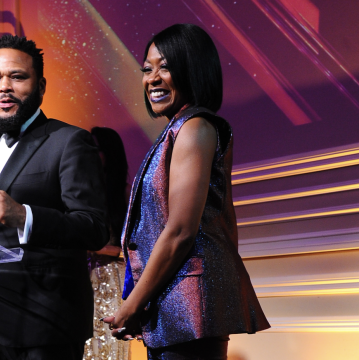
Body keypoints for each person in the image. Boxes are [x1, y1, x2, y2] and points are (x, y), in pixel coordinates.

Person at [102, 24, 270, 359]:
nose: (153, 78)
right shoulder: (178, 130)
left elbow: (180, 230)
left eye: (166, 66)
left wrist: (133, 304)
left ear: (194, 69)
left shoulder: (195, 128)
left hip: (189, 308)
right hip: (176, 306)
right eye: (147, 69)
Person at [0, 35, 108, 360]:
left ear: (41, 86)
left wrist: (25, 217)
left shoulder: (69, 142)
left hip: (45, 324)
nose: (5, 86)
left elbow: (94, 227)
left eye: (17, 77)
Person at [84, 127, 130, 360]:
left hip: (111, 278)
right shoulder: (81, 190)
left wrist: (96, 248)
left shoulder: (125, 193)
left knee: (108, 347)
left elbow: (137, 249)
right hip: (81, 277)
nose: (89, 154)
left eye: (96, 149)